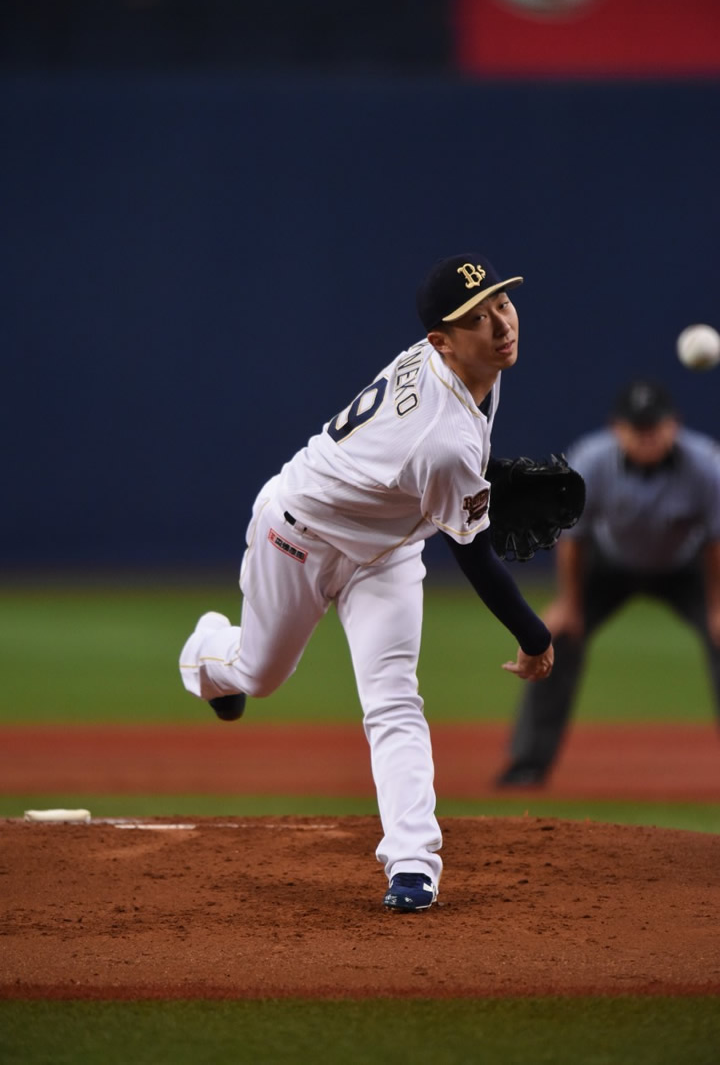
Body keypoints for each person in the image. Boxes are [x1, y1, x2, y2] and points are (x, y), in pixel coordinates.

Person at [179, 253, 554, 911]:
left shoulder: (472, 370)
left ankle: (413, 863)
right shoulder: (443, 438)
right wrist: (534, 634)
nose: (501, 324)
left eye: (502, 302)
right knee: (258, 675)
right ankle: (206, 652)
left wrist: (476, 490)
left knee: (394, 698)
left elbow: (434, 473)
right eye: (477, 317)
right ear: (440, 340)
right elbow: (474, 556)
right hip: (299, 535)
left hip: (387, 553)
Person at [496, 378, 720, 788]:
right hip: (609, 565)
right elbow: (574, 539)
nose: (648, 436)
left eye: (656, 426)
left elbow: (716, 540)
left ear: (675, 425)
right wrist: (569, 604)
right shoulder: (593, 459)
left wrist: (718, 606)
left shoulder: (706, 463)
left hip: (684, 566)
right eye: (638, 427)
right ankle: (527, 764)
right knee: (557, 637)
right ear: (617, 428)